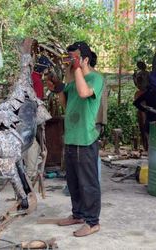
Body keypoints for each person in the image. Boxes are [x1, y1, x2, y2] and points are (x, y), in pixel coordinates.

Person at [48, 41, 103, 237]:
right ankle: (78, 215)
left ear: (85, 59)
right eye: (70, 58)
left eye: (75, 58)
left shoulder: (96, 79)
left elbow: (83, 92)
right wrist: (58, 88)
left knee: (88, 183)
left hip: (86, 140)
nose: (71, 62)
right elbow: (66, 105)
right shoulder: (73, 81)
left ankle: (92, 222)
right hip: (71, 138)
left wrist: (77, 68)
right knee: (73, 182)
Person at [133, 70, 156, 148]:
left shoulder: (148, 92)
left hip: (150, 119)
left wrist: (145, 110)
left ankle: (147, 147)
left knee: (151, 140)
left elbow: (136, 103)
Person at [90, 51, 107, 183]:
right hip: (98, 120)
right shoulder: (99, 77)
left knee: (91, 154)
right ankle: (96, 182)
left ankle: (96, 183)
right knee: (93, 152)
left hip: (91, 121)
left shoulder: (93, 79)